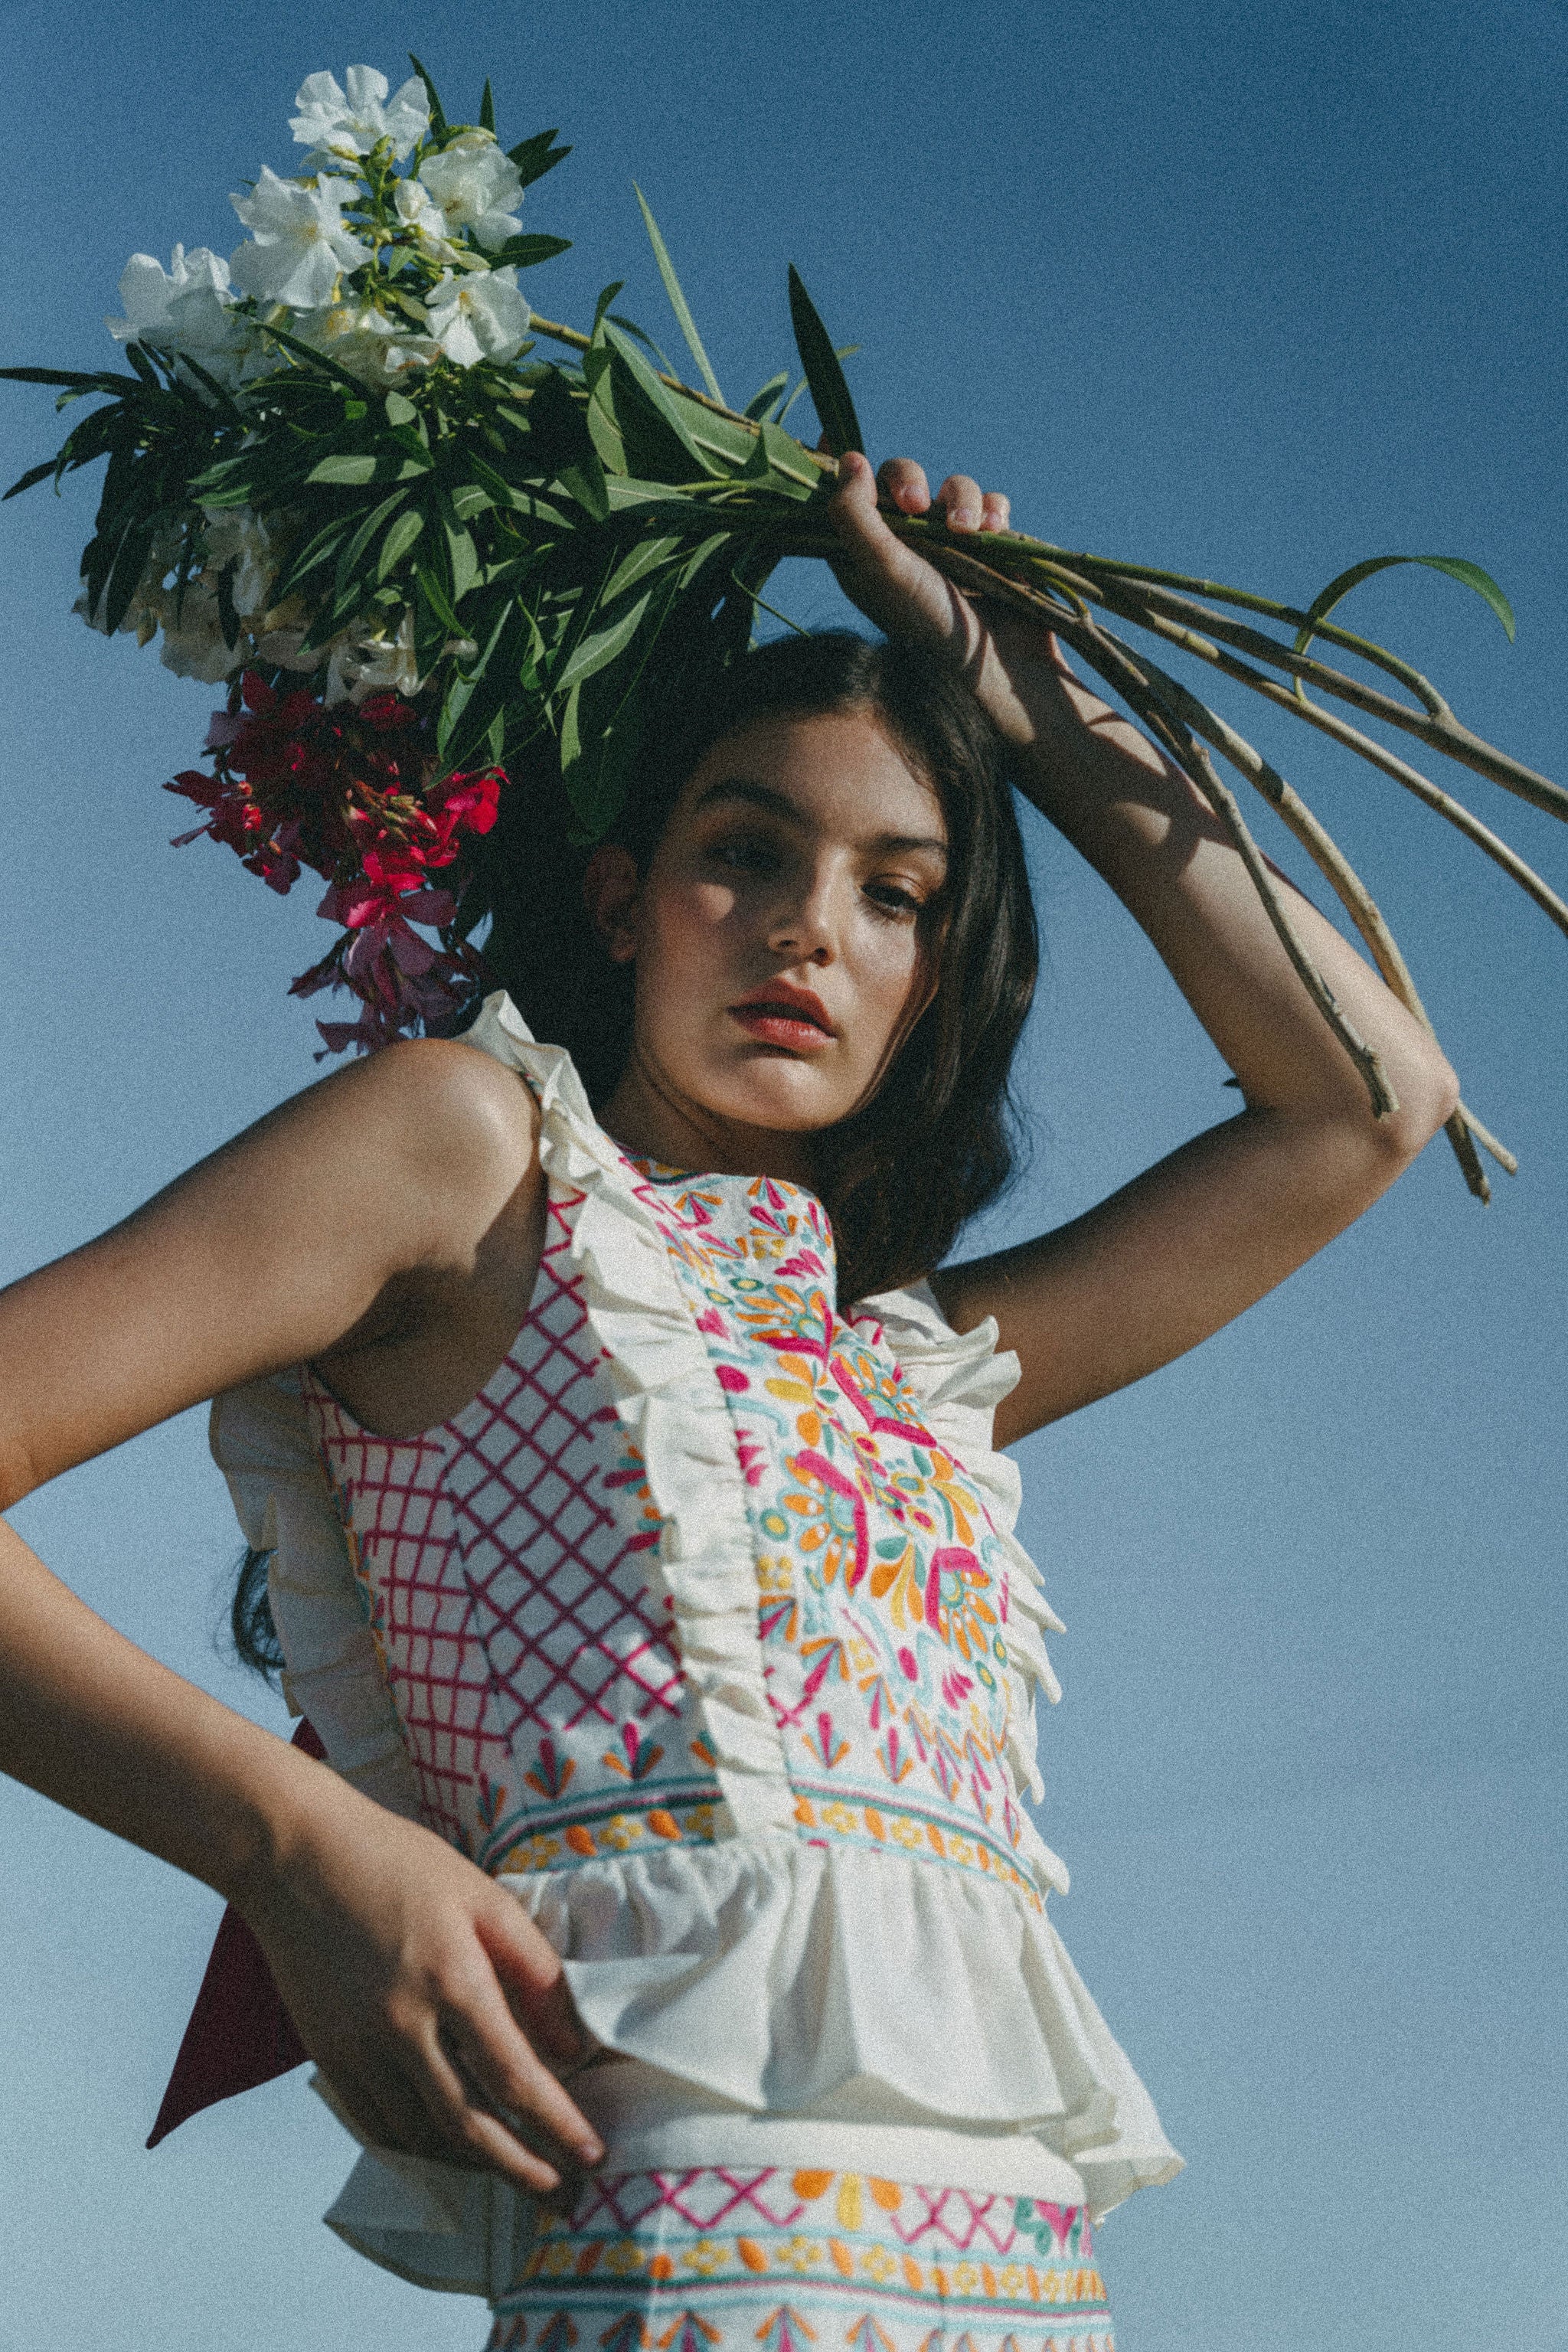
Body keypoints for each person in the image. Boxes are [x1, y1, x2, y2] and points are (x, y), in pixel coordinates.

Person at [0, 450, 1458, 2349]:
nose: (807, 930)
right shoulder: (471, 1150)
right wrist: (298, 1850)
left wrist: (1011, 672)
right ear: (620, 901)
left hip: (1024, 2294)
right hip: (686, 2285)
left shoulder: (915, 1372)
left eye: (893, 893)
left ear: (933, 981)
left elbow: (1366, 1103)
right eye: (744, 851)